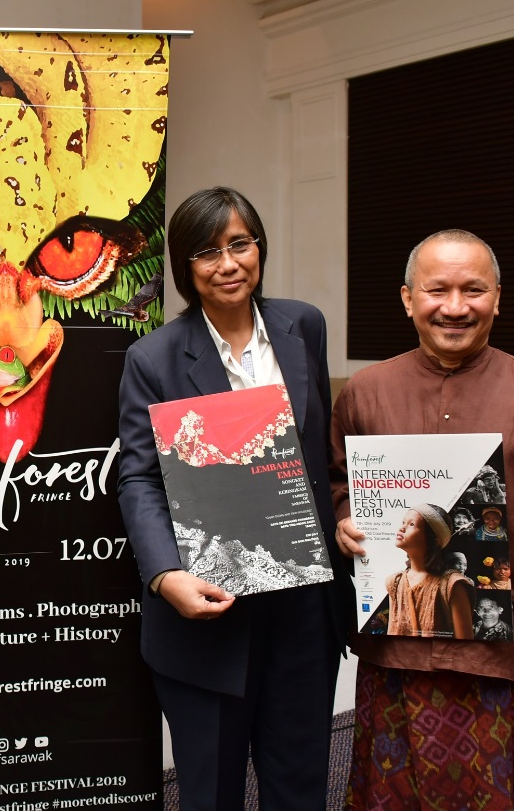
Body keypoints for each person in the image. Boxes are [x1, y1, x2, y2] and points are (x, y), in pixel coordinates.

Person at [332, 229, 514, 809]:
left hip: (499, 649)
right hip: (396, 645)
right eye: (437, 289)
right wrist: (345, 519)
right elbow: (339, 480)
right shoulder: (365, 393)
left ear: (498, 297)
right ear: (408, 298)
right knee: (385, 792)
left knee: (488, 791)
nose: (455, 306)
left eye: (474, 290)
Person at [117, 187, 354, 810]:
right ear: (183, 267)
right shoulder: (154, 357)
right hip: (210, 606)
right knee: (211, 790)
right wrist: (165, 576)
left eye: (240, 244)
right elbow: (139, 477)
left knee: (300, 783)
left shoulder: (303, 325)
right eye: (206, 251)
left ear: (259, 248)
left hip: (304, 603)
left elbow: (318, 450)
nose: (227, 264)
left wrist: (346, 509)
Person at [384, 505, 473, 639]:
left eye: (412, 524)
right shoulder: (394, 582)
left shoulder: (452, 585)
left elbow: (465, 643)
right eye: (403, 522)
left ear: (435, 539)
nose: (402, 528)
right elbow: (392, 633)